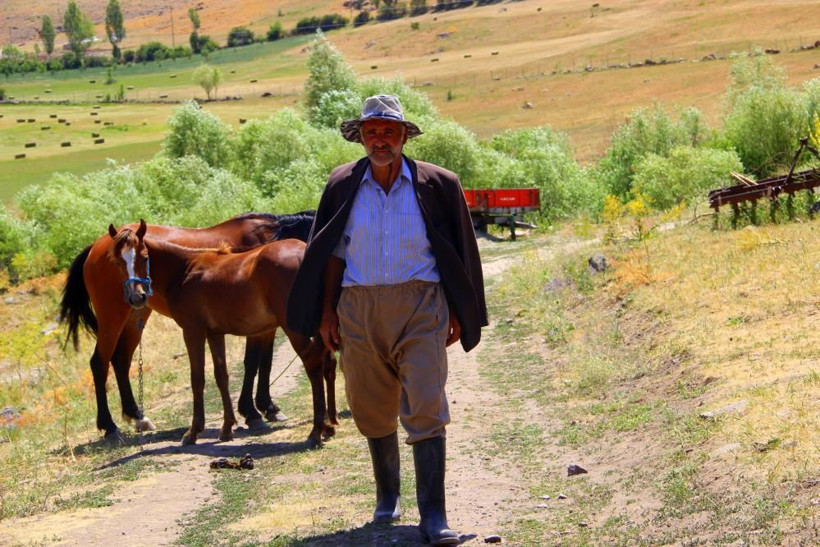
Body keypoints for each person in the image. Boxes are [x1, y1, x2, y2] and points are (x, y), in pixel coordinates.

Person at [287, 94, 487, 545]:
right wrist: (326, 311)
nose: (380, 140)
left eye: (388, 131)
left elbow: (456, 249)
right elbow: (331, 252)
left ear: (403, 136)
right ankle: (388, 496)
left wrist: (457, 308)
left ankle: (434, 516)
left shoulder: (438, 182)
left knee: (425, 401)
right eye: (371, 132)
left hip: (422, 304)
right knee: (370, 404)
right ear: (360, 137)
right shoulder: (343, 184)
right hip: (357, 308)